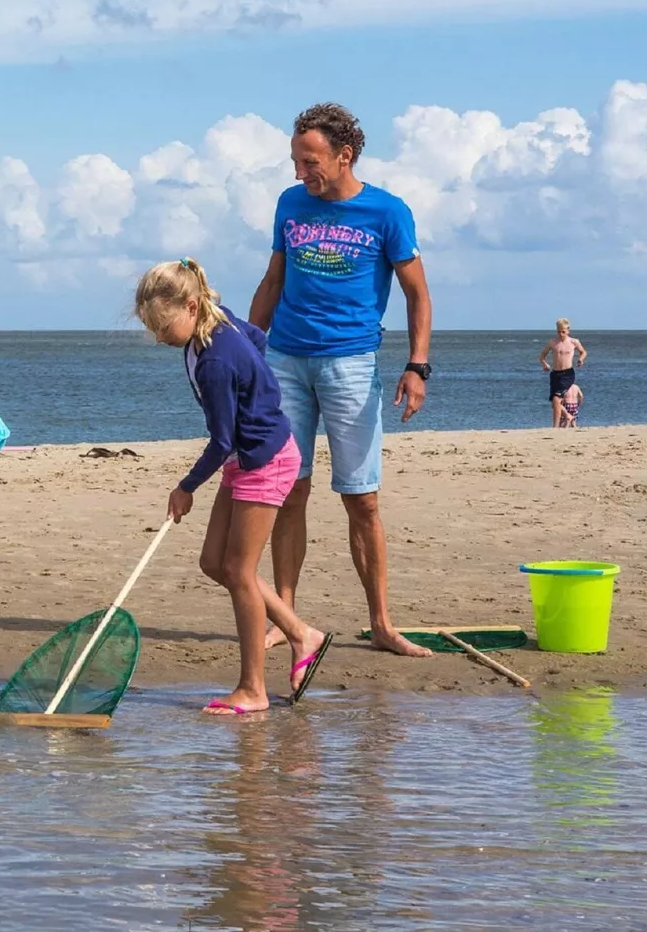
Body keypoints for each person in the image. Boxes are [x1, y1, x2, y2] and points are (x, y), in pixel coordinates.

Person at [248, 102, 434, 659]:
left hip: (351, 364)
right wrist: (249, 350)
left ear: (343, 155)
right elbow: (273, 279)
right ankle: (284, 614)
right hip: (284, 360)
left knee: (362, 500)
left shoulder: (387, 212)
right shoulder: (290, 204)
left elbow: (418, 294)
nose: (301, 172)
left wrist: (417, 366)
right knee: (289, 491)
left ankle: (380, 623)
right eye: (296, 161)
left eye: (309, 161)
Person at [136, 258, 334, 715]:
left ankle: (253, 689)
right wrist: (256, 389)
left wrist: (185, 487)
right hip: (245, 456)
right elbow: (260, 339)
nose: (161, 337)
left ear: (190, 305)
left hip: (263, 459)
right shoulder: (218, 323)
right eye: (153, 329)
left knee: (240, 572)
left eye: (164, 326)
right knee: (214, 562)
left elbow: (221, 438)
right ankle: (302, 633)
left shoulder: (216, 359)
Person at [539, 318, 588, 428]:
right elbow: (542, 355)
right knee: (554, 403)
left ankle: (555, 427)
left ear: (568, 330)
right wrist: (544, 364)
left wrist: (581, 359)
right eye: (558, 332)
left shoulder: (574, 342)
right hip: (555, 374)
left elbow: (583, 352)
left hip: (567, 374)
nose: (561, 334)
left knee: (556, 399)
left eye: (563, 331)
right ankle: (567, 416)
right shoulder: (552, 342)